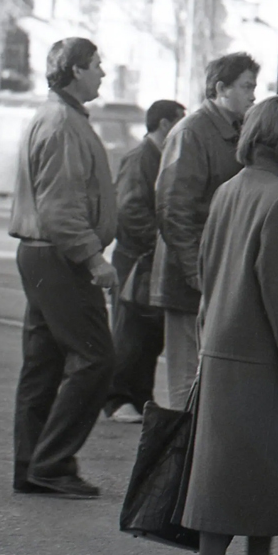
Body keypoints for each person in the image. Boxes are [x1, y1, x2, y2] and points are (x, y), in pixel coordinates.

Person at [181, 94, 278, 555]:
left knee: (250, 466)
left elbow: (206, 269)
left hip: (223, 345)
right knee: (242, 470)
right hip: (261, 358)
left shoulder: (230, 191)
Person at [8, 37, 117, 499]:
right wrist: (94, 258)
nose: (102, 73)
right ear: (74, 70)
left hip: (42, 253)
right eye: (96, 65)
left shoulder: (56, 117)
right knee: (96, 358)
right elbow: (60, 208)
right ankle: (51, 464)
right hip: (59, 256)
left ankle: (33, 464)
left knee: (45, 363)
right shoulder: (63, 124)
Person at [152, 53, 259, 409]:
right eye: (246, 87)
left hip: (213, 270)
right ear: (219, 88)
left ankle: (195, 458)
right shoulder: (193, 132)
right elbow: (173, 207)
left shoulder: (232, 131)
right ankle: (180, 459)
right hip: (194, 275)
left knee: (205, 379)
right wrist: (194, 270)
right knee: (185, 380)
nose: (253, 96)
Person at [102, 99, 186, 423]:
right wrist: (163, 241)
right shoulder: (140, 159)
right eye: (179, 121)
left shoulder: (158, 156)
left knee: (148, 333)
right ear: (164, 124)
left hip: (148, 259)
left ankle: (140, 397)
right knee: (130, 331)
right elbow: (130, 210)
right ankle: (117, 398)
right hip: (137, 260)